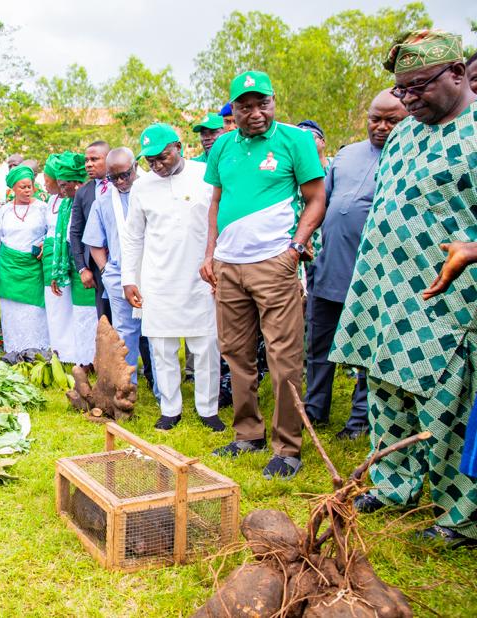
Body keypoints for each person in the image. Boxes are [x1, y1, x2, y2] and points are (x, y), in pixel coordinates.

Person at [329, 29, 477, 547]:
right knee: (387, 399)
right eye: (403, 90)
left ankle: (459, 515)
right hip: (384, 296)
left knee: (444, 408)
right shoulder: (407, 133)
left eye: (419, 87)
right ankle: (394, 487)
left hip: (448, 304)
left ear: (458, 74)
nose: (408, 99)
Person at [199, 70, 326, 480]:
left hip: (275, 262)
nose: (255, 112)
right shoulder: (221, 148)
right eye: (245, 105)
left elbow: (316, 199)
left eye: (262, 103)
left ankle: (287, 448)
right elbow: (216, 203)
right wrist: (210, 254)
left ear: (273, 101)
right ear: (232, 110)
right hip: (228, 265)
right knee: (235, 352)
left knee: (283, 357)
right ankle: (247, 434)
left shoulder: (296, 141)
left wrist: (295, 249)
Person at [304, 90, 407, 440]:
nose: (380, 127)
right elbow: (322, 203)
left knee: (367, 349)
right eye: (375, 118)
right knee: (318, 345)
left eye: (391, 120)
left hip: (374, 276)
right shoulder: (346, 155)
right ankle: (314, 408)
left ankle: (360, 420)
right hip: (330, 266)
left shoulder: (409, 158)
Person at [122, 124, 224, 432]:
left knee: (206, 345)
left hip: (200, 277)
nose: (156, 165)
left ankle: (208, 409)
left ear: (178, 147)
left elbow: (219, 220)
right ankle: (170, 408)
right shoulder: (142, 187)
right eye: (150, 161)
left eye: (162, 157)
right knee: (162, 347)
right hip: (158, 279)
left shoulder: (204, 176)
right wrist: (129, 278)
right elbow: (133, 236)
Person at [83, 147, 157, 393]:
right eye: (114, 178)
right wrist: (106, 271)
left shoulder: (151, 192)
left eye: (125, 175)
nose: (121, 182)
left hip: (154, 271)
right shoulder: (103, 201)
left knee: (157, 333)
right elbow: (94, 242)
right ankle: (127, 389)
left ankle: (162, 389)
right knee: (125, 334)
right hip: (118, 274)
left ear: (135, 167)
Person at [0, 164, 49, 354]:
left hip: (33, 269)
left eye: (30, 186)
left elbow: (52, 232)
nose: (27, 190)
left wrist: (45, 243)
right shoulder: (4, 211)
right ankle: (14, 351)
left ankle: (37, 351)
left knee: (35, 312)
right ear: (13, 189)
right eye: (22, 187)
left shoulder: (42, 209)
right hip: (9, 269)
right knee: (12, 313)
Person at [43, 153, 96, 365]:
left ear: (77, 183)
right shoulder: (66, 204)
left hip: (88, 266)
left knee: (89, 317)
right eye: (60, 185)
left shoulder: (88, 200)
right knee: (79, 317)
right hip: (74, 267)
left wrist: (85, 268)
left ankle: (92, 361)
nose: (61, 190)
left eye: (65, 185)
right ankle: (80, 360)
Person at [69, 141, 113, 320]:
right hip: (97, 266)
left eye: (94, 159)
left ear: (108, 159)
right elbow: (75, 232)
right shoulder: (83, 192)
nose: (88, 164)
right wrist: (82, 268)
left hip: (125, 261)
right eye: (87, 160)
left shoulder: (126, 185)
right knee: (104, 318)